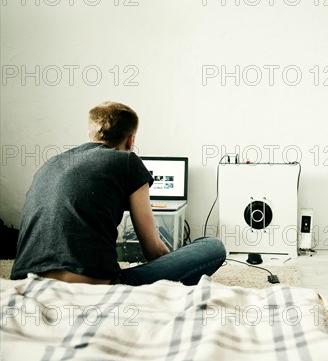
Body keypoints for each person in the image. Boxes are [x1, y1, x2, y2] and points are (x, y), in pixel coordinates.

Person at [10, 101, 226, 286]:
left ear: (90, 134)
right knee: (212, 246)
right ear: (131, 140)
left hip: (26, 280)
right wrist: (174, 262)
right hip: (95, 285)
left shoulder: (51, 163)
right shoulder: (128, 161)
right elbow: (153, 250)